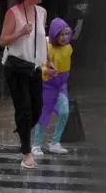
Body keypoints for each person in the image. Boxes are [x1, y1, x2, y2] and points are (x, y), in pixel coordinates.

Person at [0, 0, 54, 169]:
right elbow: (3, 40)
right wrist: (20, 32)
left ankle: (22, 128)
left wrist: (49, 61)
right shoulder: (13, 13)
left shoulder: (42, 12)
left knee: (37, 110)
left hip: (35, 67)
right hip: (16, 67)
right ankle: (26, 153)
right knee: (24, 109)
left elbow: (42, 38)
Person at [32, 18, 72, 156]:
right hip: (46, 86)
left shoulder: (69, 48)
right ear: (54, 34)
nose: (64, 37)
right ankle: (36, 145)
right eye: (61, 34)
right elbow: (38, 65)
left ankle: (55, 143)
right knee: (44, 115)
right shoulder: (46, 45)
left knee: (65, 112)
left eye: (67, 34)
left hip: (61, 85)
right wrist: (46, 71)